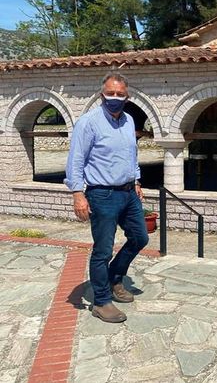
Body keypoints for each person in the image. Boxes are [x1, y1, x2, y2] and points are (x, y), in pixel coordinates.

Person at [65, 72, 148, 323]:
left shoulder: (128, 120)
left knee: (140, 237)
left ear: (127, 96)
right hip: (102, 194)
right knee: (102, 250)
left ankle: (114, 278)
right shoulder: (88, 122)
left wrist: (136, 180)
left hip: (128, 192)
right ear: (102, 94)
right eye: (110, 93)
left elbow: (131, 154)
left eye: (120, 94)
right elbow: (76, 159)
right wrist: (77, 194)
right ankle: (101, 301)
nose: (115, 97)